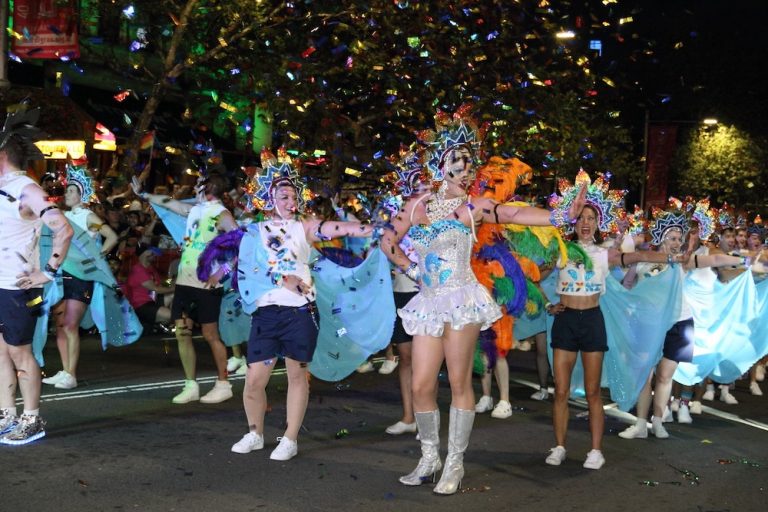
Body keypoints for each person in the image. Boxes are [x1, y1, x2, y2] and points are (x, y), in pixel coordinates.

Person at [380, 106, 586, 495]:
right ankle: (429, 456)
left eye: (468, 161)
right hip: (428, 301)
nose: (464, 168)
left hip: (461, 298)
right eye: (455, 160)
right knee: (423, 384)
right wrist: (409, 267)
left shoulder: (475, 207)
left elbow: (515, 212)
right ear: (439, 164)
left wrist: (558, 215)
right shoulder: (416, 205)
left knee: (459, 380)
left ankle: (454, 464)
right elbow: (387, 239)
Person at [201, 149, 373, 461]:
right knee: (254, 379)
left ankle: (290, 438)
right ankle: (255, 432)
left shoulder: (303, 226)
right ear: (268, 198)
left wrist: (375, 229)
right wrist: (281, 278)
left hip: (300, 313)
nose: (290, 201)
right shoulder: (253, 231)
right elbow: (247, 264)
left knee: (297, 375)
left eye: (293, 194)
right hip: (267, 315)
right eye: (283, 195)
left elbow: (338, 228)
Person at [543, 171, 685, 470]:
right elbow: (530, 275)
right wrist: (546, 303)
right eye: (580, 218)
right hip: (565, 322)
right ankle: (559, 446)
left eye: (591, 219)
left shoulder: (604, 255)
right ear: (573, 221)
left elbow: (634, 259)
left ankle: (596, 451)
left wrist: (670, 258)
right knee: (562, 390)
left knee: (594, 391)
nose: (585, 223)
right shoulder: (560, 250)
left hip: (592, 321)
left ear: (598, 223)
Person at [618, 200, 766, 440]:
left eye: (680, 238)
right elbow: (627, 286)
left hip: (679, 323)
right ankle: (640, 424)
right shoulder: (644, 259)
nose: (677, 242)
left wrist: (742, 261)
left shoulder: (684, 261)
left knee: (665, 376)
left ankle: (658, 422)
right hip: (649, 325)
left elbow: (716, 261)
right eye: (672, 237)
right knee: (645, 376)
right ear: (661, 238)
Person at [0, 107, 73, 444]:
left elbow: (63, 229)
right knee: (1, 352)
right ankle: (6, 413)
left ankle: (32, 418)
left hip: (18, 286)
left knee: (20, 353)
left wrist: (48, 272)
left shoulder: (26, 189)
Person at [132, 172, 239, 404]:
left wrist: (222, 272)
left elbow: (241, 245)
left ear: (207, 188)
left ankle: (223, 384)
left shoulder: (222, 214)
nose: (195, 188)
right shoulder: (196, 210)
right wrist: (143, 194)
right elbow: (169, 202)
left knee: (211, 335)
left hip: (206, 285)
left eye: (199, 185)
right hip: (184, 282)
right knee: (182, 332)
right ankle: (191, 385)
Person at [42, 159, 118, 389]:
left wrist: (97, 258)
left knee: (71, 324)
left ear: (82, 195)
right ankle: (64, 370)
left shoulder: (88, 217)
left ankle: (71, 375)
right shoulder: (62, 216)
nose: (68, 193)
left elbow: (112, 237)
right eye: (68, 189)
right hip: (61, 275)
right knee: (61, 325)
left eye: (72, 190)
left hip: (81, 277)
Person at [124, 245, 174, 325]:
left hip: (152, 300)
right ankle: (160, 321)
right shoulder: (138, 270)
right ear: (145, 254)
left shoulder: (150, 268)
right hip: (141, 306)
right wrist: (175, 288)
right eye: (153, 253)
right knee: (173, 315)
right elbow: (156, 289)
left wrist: (172, 279)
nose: (155, 256)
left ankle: (163, 321)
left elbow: (161, 284)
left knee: (174, 295)